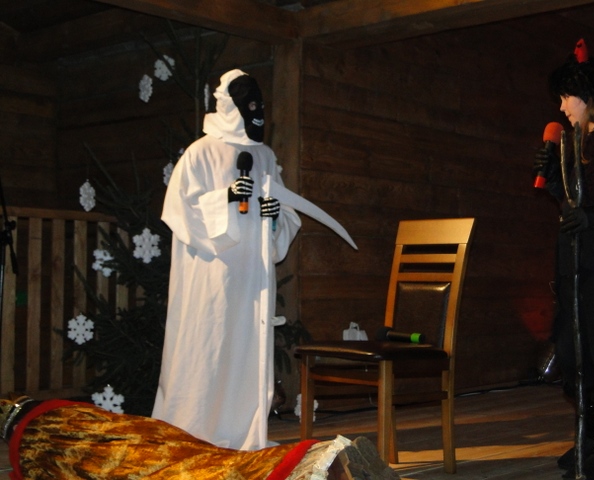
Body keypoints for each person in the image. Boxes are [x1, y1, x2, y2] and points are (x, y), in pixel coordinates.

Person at [152, 69, 302, 451]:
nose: (257, 112)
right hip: (212, 278)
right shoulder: (200, 153)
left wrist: (273, 217)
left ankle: (242, 435)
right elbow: (180, 210)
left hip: (252, 279)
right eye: (249, 104)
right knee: (208, 347)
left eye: (259, 105)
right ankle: (193, 433)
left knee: (245, 353)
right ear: (230, 106)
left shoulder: (265, 156)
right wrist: (227, 197)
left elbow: (285, 210)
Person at [533, 39, 594, 480]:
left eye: (566, 97)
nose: (562, 108)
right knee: (574, 353)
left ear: (587, 96)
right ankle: (589, 437)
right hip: (575, 262)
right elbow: (572, 204)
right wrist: (555, 178)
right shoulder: (574, 142)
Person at [1, 396, 399, 480]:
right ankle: (330, 458)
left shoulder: (35, 447)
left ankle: (327, 466)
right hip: (143, 438)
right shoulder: (63, 414)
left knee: (199, 469)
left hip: (122, 447)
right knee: (210, 459)